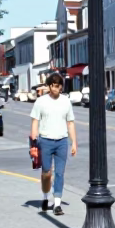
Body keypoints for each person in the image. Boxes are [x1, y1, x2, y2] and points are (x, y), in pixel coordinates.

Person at [28, 71, 78, 216]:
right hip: (45, 141)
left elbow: (70, 123)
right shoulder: (41, 101)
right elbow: (35, 122)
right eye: (54, 86)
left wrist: (74, 142)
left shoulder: (66, 101)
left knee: (60, 173)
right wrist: (33, 144)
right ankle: (45, 196)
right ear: (49, 86)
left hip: (62, 141)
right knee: (46, 173)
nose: (57, 89)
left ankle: (57, 203)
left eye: (59, 86)